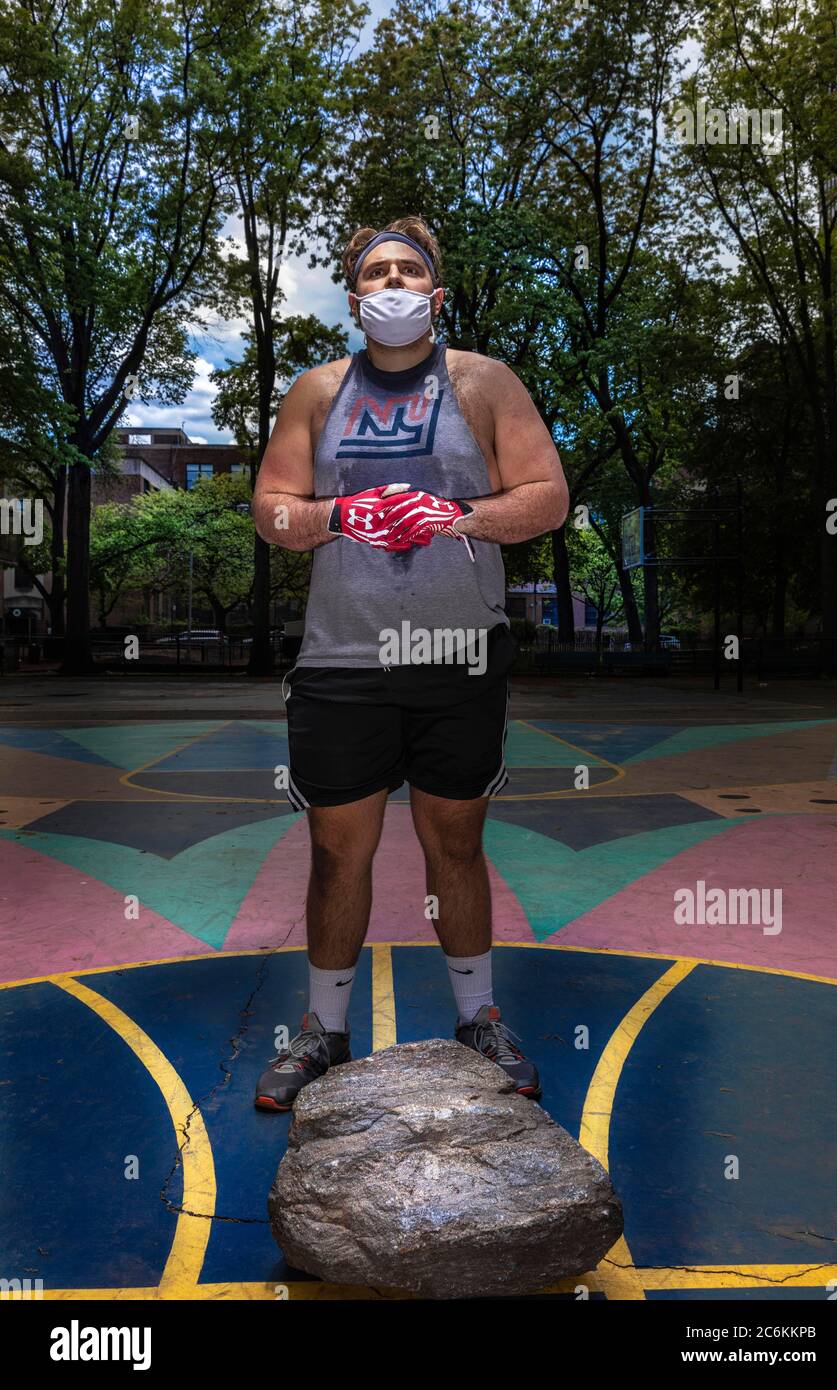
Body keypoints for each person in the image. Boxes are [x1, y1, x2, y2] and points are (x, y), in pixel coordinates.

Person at [251, 216, 568, 1111]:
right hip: (342, 660)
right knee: (334, 851)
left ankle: (479, 1017)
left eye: (408, 271)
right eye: (375, 272)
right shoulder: (317, 392)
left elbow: (546, 498)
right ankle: (323, 1031)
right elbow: (270, 512)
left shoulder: (484, 382)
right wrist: (343, 516)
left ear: (435, 293)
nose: (392, 283)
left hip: (458, 655)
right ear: (355, 299)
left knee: (455, 842)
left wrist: (452, 514)